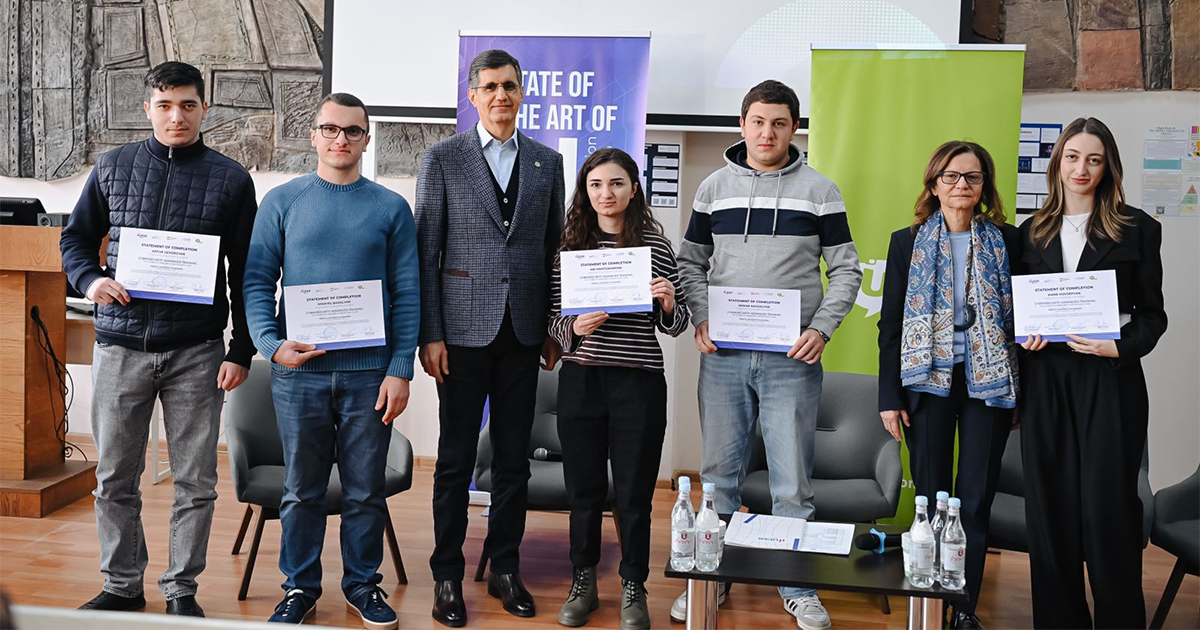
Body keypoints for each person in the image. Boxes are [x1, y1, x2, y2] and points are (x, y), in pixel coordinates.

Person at [59, 61, 256, 618]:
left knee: (196, 480)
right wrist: (91, 280)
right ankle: (122, 585)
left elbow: (246, 273)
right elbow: (76, 240)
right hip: (120, 346)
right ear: (147, 109)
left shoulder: (231, 179)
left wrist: (242, 348)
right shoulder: (113, 166)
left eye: (188, 105)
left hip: (197, 351)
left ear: (204, 109)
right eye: (165, 105)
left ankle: (181, 590)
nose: (176, 116)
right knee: (113, 477)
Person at [675, 80, 862, 630]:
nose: (767, 133)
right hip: (725, 357)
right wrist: (702, 316)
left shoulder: (821, 191)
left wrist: (822, 329)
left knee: (791, 484)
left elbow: (846, 269)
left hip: (791, 360)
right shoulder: (713, 188)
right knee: (718, 478)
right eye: (757, 122)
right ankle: (711, 578)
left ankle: (798, 588)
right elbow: (689, 263)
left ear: (794, 128)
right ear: (742, 125)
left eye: (779, 123)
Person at [243, 92, 419, 629]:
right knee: (302, 489)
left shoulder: (391, 207)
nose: (341, 139)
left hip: (371, 376)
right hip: (300, 375)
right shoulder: (282, 201)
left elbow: (407, 294)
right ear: (313, 135)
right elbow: (256, 282)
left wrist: (400, 369)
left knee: (366, 489)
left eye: (352, 131)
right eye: (330, 129)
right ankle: (299, 587)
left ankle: (363, 585)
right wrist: (271, 345)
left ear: (367, 139)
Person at [415, 48, 565, 628]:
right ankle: (447, 576)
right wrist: (430, 333)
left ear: (522, 93)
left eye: (510, 86)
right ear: (473, 96)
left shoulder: (547, 162)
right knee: (455, 461)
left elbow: (554, 250)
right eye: (490, 87)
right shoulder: (443, 158)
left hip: (523, 333)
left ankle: (505, 567)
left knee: (512, 461)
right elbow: (427, 251)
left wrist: (552, 326)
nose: (501, 95)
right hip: (459, 333)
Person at [1017, 117, 1166, 628]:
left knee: (1109, 510)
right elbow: (1017, 311)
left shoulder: (1137, 227)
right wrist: (1025, 338)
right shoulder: (1030, 232)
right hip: (1046, 380)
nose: (1081, 168)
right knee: (1049, 509)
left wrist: (1116, 346)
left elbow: (1153, 316)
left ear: (1108, 168)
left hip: (1110, 379)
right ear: (1058, 162)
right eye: (1073, 157)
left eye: (1094, 159)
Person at [877, 141, 1021, 630]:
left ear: (985, 186)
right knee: (930, 498)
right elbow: (890, 324)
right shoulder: (906, 242)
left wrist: (1022, 392)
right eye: (951, 176)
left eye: (972, 177)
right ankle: (928, 603)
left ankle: (963, 608)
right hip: (926, 383)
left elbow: (1023, 317)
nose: (962, 185)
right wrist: (890, 397)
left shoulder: (1008, 241)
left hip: (989, 383)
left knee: (974, 502)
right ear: (934, 184)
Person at [547, 148, 691, 630]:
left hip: (639, 382)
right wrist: (573, 327)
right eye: (595, 185)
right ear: (584, 192)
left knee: (634, 495)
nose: (605, 193)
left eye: (616, 184)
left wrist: (668, 304)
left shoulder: (657, 248)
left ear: (633, 189)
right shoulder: (570, 248)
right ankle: (583, 582)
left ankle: (634, 585)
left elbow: (677, 325)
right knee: (583, 492)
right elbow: (551, 320)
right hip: (582, 381)